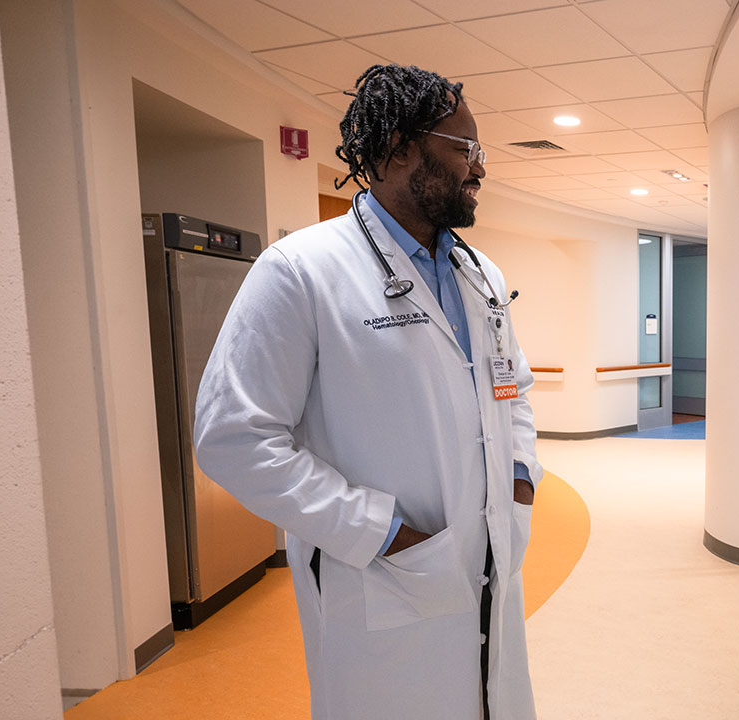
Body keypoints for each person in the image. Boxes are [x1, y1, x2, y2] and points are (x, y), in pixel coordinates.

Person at [194, 64, 541, 720]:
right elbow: (232, 437)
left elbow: (513, 386)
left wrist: (519, 478)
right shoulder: (302, 271)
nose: (482, 168)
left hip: (489, 555)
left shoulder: (480, 274)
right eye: (466, 150)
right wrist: (378, 532)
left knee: (490, 698)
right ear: (399, 149)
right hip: (383, 577)